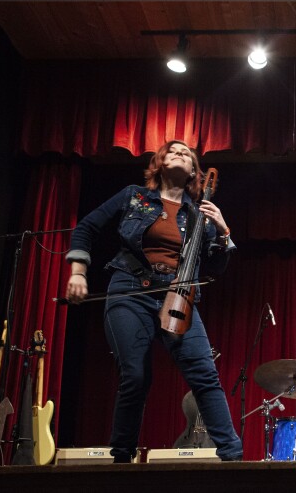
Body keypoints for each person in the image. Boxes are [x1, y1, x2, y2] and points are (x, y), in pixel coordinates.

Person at [64, 140, 242, 462]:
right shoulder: (134, 196)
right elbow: (86, 228)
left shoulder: (198, 213)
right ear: (159, 163)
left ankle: (233, 457)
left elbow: (215, 268)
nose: (180, 154)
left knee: (205, 374)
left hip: (180, 296)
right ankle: (122, 458)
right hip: (130, 290)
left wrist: (223, 232)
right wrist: (78, 272)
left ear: (193, 172)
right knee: (136, 376)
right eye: (173, 151)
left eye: (187, 155)